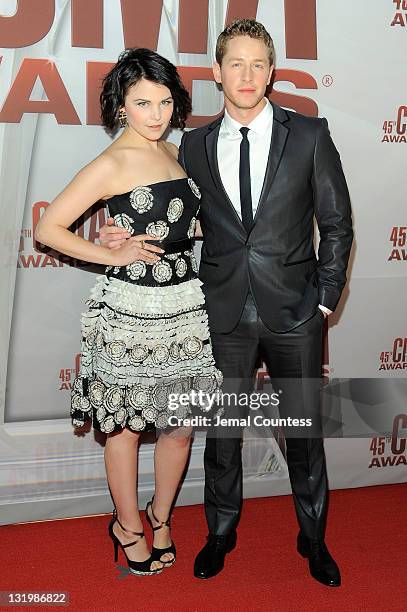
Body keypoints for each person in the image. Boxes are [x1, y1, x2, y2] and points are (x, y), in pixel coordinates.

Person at [100, 19, 353, 587]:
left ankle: (313, 539)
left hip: (295, 312)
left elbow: (337, 223)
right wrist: (119, 235)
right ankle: (220, 533)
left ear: (271, 72)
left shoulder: (310, 134)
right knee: (223, 434)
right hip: (220, 310)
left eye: (258, 64)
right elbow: (167, 214)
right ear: (216, 73)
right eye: (235, 63)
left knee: (305, 434)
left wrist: (325, 301)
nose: (247, 75)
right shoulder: (191, 144)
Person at [35, 47, 222, 577]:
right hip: (131, 311)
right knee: (126, 427)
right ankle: (128, 525)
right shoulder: (113, 162)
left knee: (179, 425)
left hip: (184, 303)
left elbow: (183, 224)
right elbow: (48, 229)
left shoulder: (173, 152)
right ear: (121, 105)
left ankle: (161, 517)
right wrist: (110, 251)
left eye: (165, 101)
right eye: (143, 103)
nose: (157, 114)